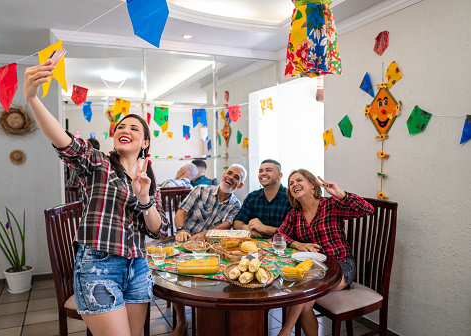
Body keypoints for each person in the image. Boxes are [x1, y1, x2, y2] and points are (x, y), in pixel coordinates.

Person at [24, 60, 169, 336]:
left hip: (138, 267)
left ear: (146, 143)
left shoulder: (147, 179)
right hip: (98, 266)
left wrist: (144, 198)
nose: (124, 129)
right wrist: (32, 99)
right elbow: (63, 141)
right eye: (120, 126)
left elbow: (156, 229)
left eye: (134, 128)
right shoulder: (97, 163)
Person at [276, 169, 374, 336]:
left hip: (340, 266)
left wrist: (340, 194)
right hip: (312, 269)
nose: (294, 185)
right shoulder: (295, 214)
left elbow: (367, 209)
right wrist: (298, 244)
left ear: (313, 186)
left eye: (299, 180)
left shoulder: (332, 204)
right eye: (291, 183)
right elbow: (279, 236)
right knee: (305, 303)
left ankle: (286, 330)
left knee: (301, 288)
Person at [171, 164, 246, 336]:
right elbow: (181, 212)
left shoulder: (235, 204)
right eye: (229, 173)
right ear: (223, 174)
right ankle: (182, 322)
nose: (231, 178)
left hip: (212, 247)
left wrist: (205, 234)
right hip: (187, 240)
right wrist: (181, 229)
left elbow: (227, 225)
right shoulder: (200, 190)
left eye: (237, 178)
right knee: (176, 277)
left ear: (239, 185)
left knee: (221, 275)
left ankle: (211, 318)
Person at [233, 159, 291, 238]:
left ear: (279, 175)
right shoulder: (252, 197)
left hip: (282, 247)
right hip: (255, 246)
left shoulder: (290, 198)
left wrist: (264, 228)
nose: (263, 174)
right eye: (261, 171)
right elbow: (237, 223)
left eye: (268, 170)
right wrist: (246, 228)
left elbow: (291, 232)